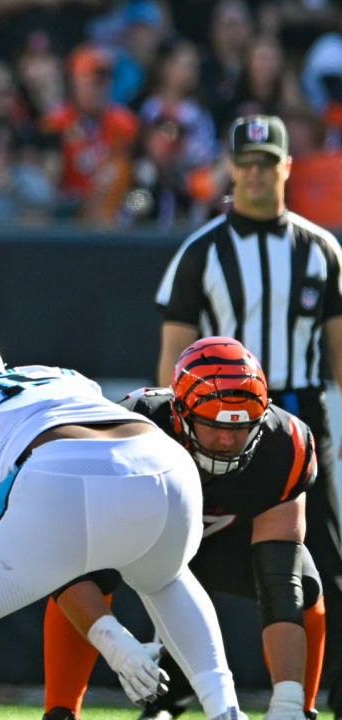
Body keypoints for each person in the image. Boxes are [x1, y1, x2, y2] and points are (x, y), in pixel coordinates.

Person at [0, 325, 243, 720]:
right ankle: (227, 710)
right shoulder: (52, 373)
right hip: (166, 463)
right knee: (167, 579)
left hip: (54, 472)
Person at [156, 113, 342, 716]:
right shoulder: (201, 251)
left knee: (322, 567)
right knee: (184, 556)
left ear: (288, 166)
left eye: (268, 162)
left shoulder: (321, 251)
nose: (257, 173)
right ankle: (176, 692)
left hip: (302, 419)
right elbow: (171, 363)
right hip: (214, 422)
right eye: (247, 163)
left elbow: (339, 356)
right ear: (231, 169)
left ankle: (320, 693)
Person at [44, 337, 323, 720]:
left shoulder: (284, 445)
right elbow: (66, 550)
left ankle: (295, 708)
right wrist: (114, 642)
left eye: (241, 428)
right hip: (138, 540)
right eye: (212, 426)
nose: (227, 439)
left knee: (301, 581)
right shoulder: (132, 425)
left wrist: (287, 703)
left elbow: (281, 574)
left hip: (223, 544)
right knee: (84, 567)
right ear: (180, 413)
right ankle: (60, 712)